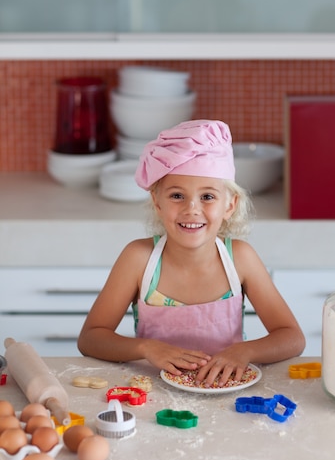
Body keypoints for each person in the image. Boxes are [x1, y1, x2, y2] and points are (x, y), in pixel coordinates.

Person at [78, 119, 305, 386]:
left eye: (208, 197)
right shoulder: (138, 259)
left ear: (229, 205)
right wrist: (146, 348)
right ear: (157, 202)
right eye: (177, 196)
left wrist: (246, 351)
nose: (191, 209)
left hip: (226, 397)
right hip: (152, 397)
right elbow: (91, 338)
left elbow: (292, 337)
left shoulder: (240, 259)